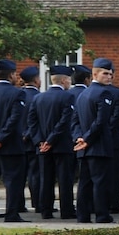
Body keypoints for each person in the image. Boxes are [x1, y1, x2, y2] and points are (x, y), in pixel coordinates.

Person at [72, 58, 119, 223]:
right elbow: (102, 121)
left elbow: (75, 122)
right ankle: (102, 215)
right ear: (95, 74)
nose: (109, 77)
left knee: (85, 183)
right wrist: (86, 139)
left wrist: (79, 138)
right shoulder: (104, 93)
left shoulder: (82, 94)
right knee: (100, 182)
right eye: (105, 73)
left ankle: (83, 215)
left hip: (85, 146)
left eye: (110, 74)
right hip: (99, 145)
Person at [0, 60, 30, 222]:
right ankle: (11, 214)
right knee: (13, 182)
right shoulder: (18, 93)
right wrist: (0, 140)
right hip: (11, 146)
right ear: (11, 75)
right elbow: (14, 119)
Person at [34, 65, 76, 219]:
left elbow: (33, 122)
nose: (70, 83)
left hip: (43, 147)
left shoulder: (38, 97)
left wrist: (40, 141)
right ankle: (67, 210)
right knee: (65, 179)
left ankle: (46, 210)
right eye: (69, 79)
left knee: (46, 178)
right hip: (62, 145)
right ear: (64, 80)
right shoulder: (68, 97)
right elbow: (64, 121)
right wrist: (51, 140)